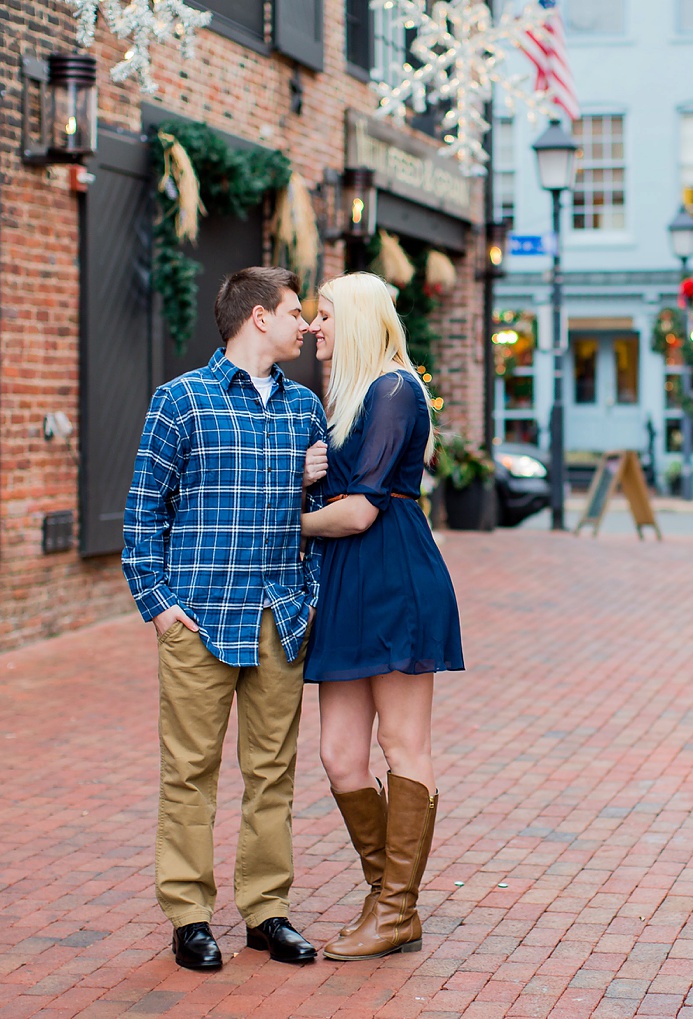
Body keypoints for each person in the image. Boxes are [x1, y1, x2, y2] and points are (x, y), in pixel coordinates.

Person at [122, 266, 331, 970]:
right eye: (296, 311)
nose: (306, 324)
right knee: (190, 769)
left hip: (280, 615)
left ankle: (267, 911)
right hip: (200, 620)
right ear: (259, 317)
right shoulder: (180, 401)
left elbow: (324, 504)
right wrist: (159, 606)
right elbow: (142, 514)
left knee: (272, 772)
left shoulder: (304, 408)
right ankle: (188, 916)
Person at [299, 272, 465, 961]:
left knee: (404, 746)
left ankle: (396, 909)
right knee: (340, 755)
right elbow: (342, 486)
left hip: (393, 573)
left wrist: (286, 524)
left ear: (361, 319)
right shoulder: (343, 397)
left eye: (326, 314)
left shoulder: (394, 388)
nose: (313, 327)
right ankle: (385, 893)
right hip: (347, 580)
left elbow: (363, 507)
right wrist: (311, 474)